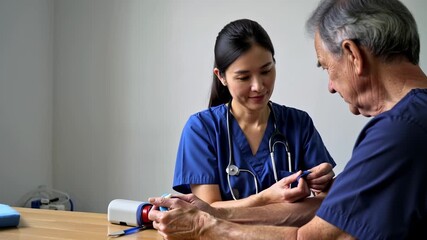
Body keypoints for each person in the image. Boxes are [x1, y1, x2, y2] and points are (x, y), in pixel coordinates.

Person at [148, 0, 427, 239]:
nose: (330, 85)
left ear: (353, 55)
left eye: (327, 66)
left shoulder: (398, 133)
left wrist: (205, 225)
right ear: (221, 77)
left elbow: (318, 233)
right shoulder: (410, 122)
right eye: (244, 77)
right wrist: (215, 212)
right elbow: (326, 211)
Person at [172, 18, 336, 209]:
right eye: (244, 77)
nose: (258, 86)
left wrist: (325, 182)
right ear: (221, 77)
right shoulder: (201, 129)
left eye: (266, 71)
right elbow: (207, 210)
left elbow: (325, 202)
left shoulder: (299, 124)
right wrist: (266, 198)